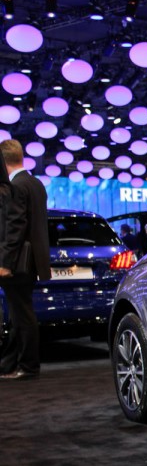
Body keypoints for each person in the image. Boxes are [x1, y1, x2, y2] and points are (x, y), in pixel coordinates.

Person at [0, 139, 50, 380]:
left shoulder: (16, 186)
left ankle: (28, 366)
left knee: (22, 314)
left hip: (17, 260)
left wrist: (4, 263)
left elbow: (15, 227)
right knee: (17, 313)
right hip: (31, 260)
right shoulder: (36, 183)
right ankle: (9, 364)